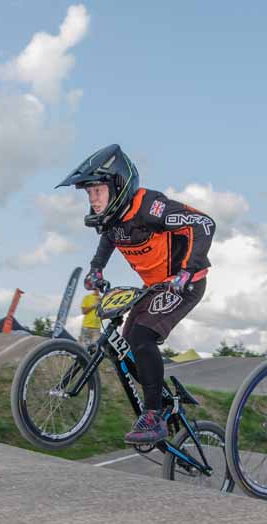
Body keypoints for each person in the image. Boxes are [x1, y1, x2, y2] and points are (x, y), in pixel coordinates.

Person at [56, 144, 215, 445]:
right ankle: (166, 401)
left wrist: (187, 270)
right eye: (89, 193)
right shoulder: (113, 220)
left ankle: (152, 415)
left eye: (98, 191)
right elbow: (109, 238)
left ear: (118, 185)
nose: (93, 199)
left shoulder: (150, 208)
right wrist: (96, 269)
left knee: (142, 337)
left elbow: (203, 223)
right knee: (128, 347)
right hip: (155, 287)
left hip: (186, 283)